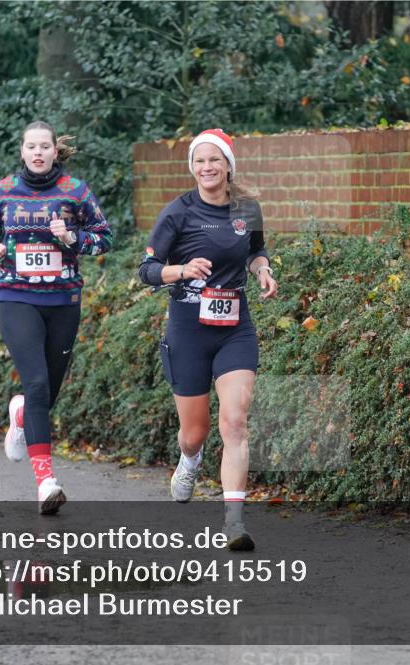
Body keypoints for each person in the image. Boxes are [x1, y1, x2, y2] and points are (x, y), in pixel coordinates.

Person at [138, 128, 278, 550]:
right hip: (188, 331)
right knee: (194, 432)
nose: (207, 168)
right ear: (192, 167)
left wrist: (262, 271)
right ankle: (190, 459)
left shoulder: (247, 209)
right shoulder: (177, 213)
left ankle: (234, 521)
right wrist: (181, 270)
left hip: (235, 328)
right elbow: (146, 271)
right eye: (199, 161)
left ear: (229, 166)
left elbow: (256, 250)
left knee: (235, 420)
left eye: (214, 160)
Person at [0, 120, 112, 514]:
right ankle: (45, 481)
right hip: (16, 296)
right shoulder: (4, 190)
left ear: (55, 151)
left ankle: (20, 414)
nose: (37, 153)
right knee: (35, 382)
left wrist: (73, 239)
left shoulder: (76, 191)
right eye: (30, 147)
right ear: (22, 151)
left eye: (44, 147)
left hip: (63, 300)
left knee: (46, 392)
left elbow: (105, 237)